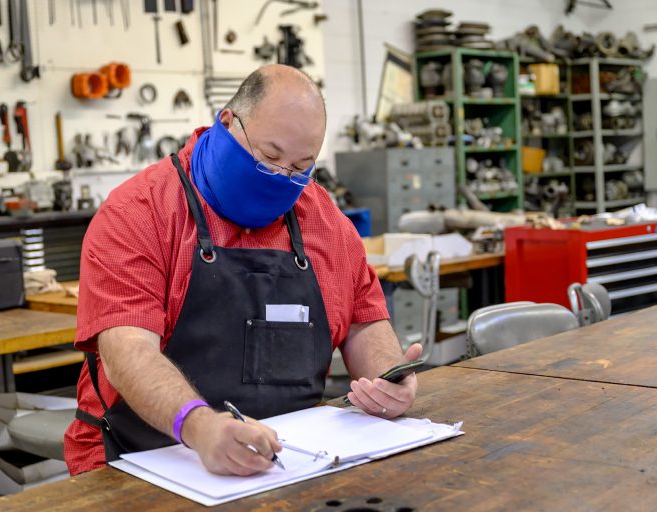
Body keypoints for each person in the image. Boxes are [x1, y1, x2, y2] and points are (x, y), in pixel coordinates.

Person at [65, 64, 422, 476]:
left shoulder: (327, 225)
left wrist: (388, 381)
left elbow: (364, 322)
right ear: (227, 123)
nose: (281, 178)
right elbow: (128, 351)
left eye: (300, 167)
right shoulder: (138, 214)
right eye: (269, 158)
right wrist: (198, 426)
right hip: (135, 459)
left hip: (285, 460)